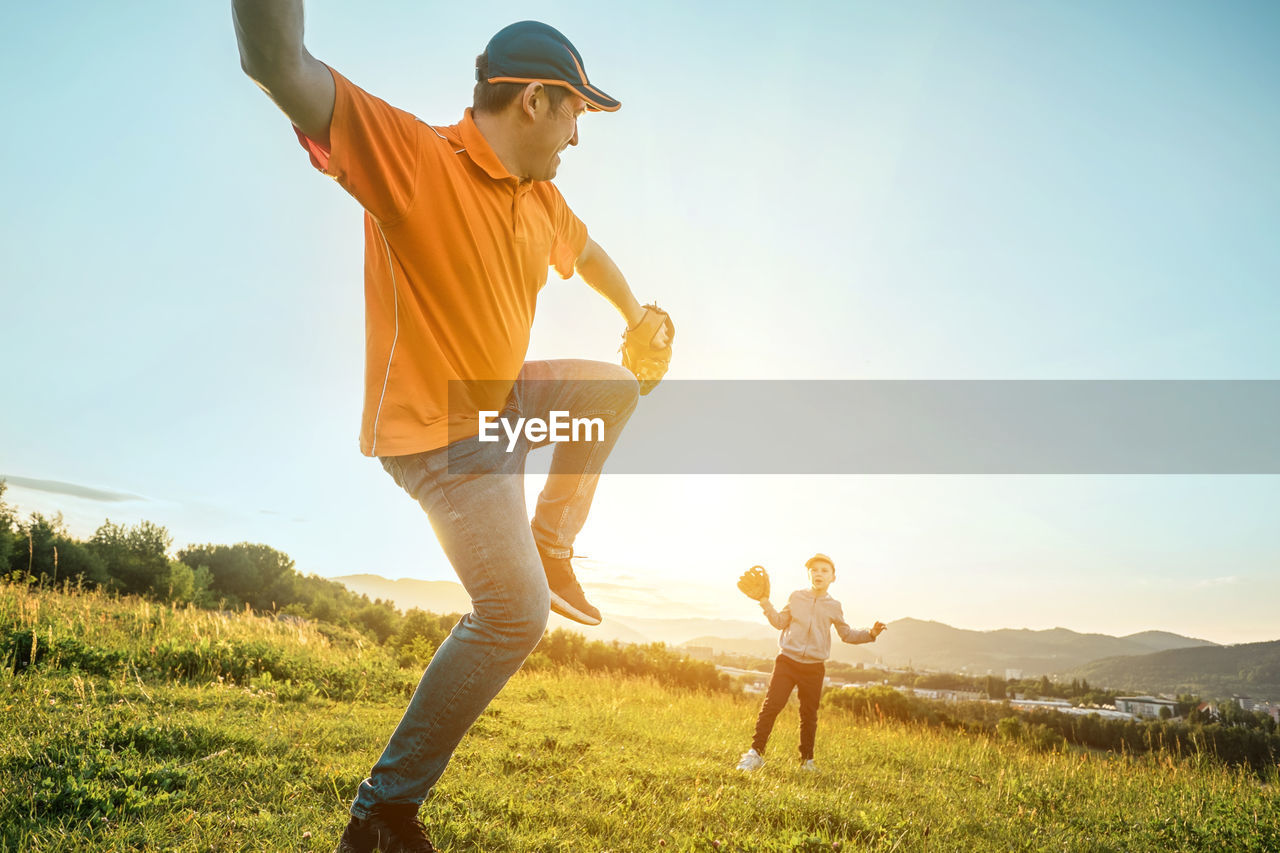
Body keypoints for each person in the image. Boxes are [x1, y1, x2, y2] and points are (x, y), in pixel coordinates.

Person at [232, 6, 672, 851]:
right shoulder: (411, 156)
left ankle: (553, 537)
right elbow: (278, 65)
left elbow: (588, 255)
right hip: (436, 433)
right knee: (514, 614)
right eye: (578, 109)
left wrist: (637, 313)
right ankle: (382, 813)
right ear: (536, 101)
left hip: (502, 398)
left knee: (616, 387)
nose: (580, 134)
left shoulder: (541, 199)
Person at [735, 555, 886, 772]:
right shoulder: (796, 597)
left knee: (808, 715)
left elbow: (846, 634)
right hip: (787, 661)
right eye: (814, 570)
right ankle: (755, 754)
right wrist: (765, 602)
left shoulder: (834, 606)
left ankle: (806, 761)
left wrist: (870, 634)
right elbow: (779, 622)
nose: (818, 574)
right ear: (809, 574)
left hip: (814, 667)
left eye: (824, 571)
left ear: (833, 577)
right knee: (771, 706)